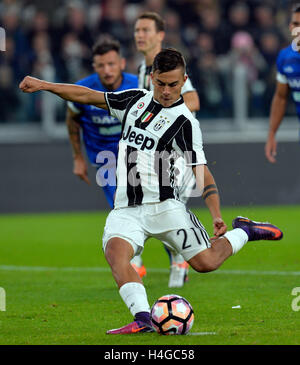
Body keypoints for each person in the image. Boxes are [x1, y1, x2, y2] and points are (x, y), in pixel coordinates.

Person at [19, 48, 283, 335]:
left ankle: (244, 230)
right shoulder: (134, 100)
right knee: (116, 253)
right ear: (152, 78)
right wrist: (45, 85)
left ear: (184, 80)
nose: (167, 91)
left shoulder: (185, 123)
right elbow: (85, 95)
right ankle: (143, 317)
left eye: (173, 84)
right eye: (161, 83)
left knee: (205, 263)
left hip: (166, 207)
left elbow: (201, 170)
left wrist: (216, 215)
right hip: (127, 209)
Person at [133, 11, 200, 287]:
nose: (140, 35)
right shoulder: (142, 70)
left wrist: (164, 112)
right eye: (137, 30)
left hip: (177, 155)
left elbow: (194, 100)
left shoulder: (172, 67)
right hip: (154, 156)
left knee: (165, 211)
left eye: (146, 30)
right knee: (156, 210)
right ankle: (174, 262)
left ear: (160, 35)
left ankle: (179, 261)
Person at [65, 38, 138, 208]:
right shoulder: (83, 90)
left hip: (135, 154)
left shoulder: (138, 86)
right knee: (120, 203)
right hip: (104, 156)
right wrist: (78, 157)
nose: (107, 71)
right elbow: (72, 120)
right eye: (101, 66)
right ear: (94, 67)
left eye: (111, 64)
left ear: (122, 63)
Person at [265, 3, 300, 163]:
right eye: (296, 24)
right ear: (290, 26)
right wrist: (272, 132)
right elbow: (280, 97)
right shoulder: (285, 57)